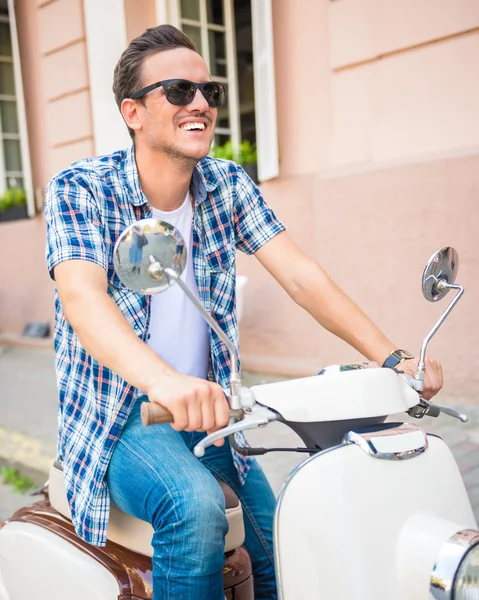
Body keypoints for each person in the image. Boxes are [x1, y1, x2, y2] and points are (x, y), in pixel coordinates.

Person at [44, 25, 443, 600]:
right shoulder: (80, 189)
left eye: (210, 91)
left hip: (214, 410)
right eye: (179, 91)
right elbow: (84, 298)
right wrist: (167, 382)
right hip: (122, 415)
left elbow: (301, 276)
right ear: (133, 112)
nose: (201, 103)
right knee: (196, 507)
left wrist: (393, 356)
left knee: (280, 542)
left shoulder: (226, 183)